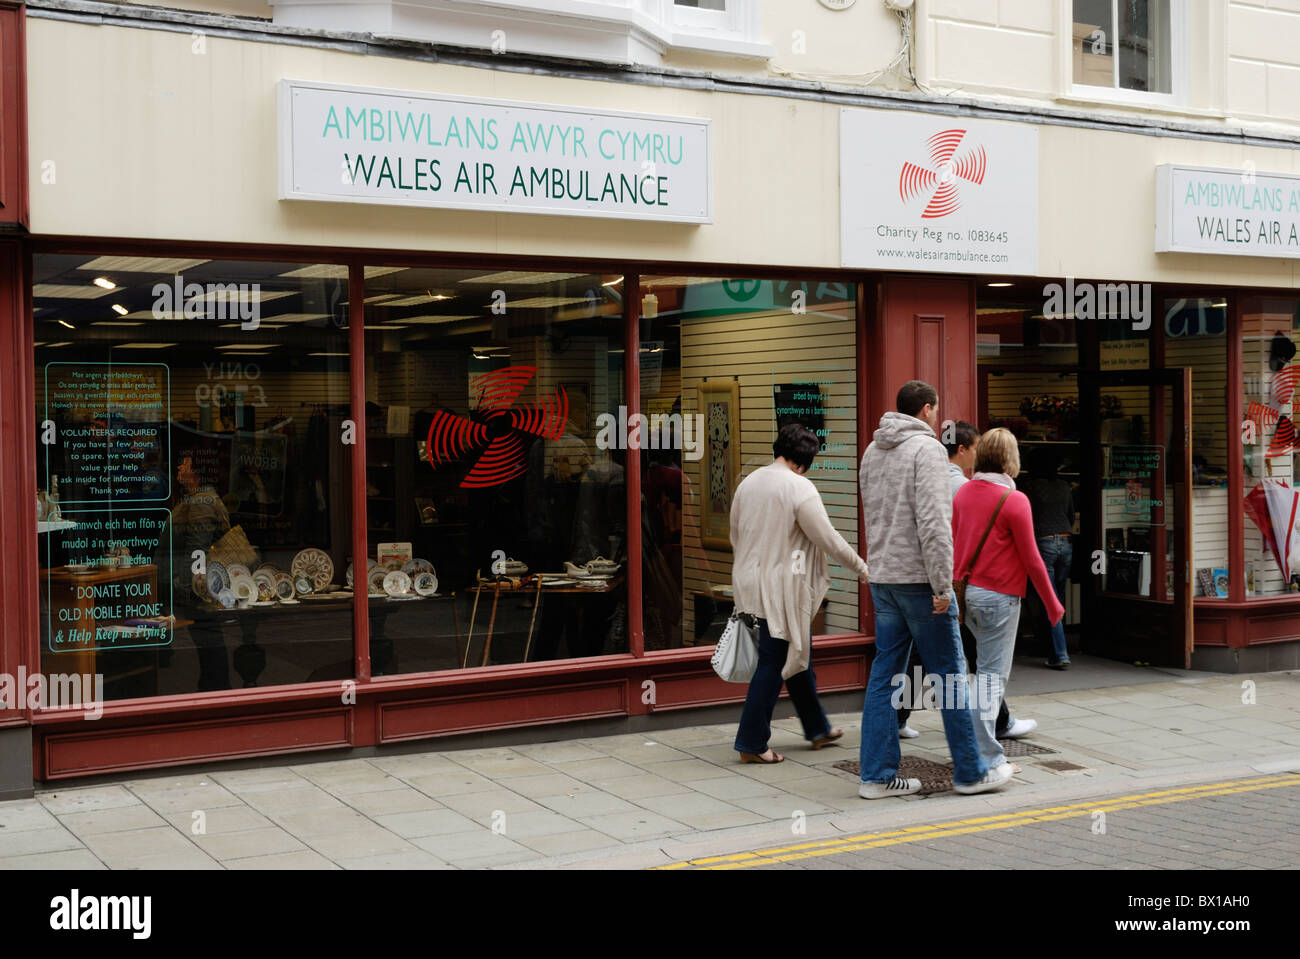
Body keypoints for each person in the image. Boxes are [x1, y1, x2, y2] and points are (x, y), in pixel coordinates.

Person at [858, 382, 1012, 798]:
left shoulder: (872, 451)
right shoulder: (925, 451)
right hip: (921, 582)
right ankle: (971, 771)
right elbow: (933, 524)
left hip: (884, 577)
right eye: (936, 410)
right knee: (951, 677)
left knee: (883, 677)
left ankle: (875, 776)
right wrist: (944, 584)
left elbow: (871, 516)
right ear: (926, 410)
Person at [731, 424, 870, 764]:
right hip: (782, 587)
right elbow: (829, 539)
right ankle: (751, 742)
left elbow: (736, 533)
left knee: (798, 649)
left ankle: (817, 727)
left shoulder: (748, 483)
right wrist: (864, 569)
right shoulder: (799, 486)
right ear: (804, 462)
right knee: (774, 660)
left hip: (748, 580)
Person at [952, 428, 1064, 776]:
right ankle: (986, 759)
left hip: (968, 596)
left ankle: (973, 753)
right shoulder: (1015, 500)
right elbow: (1032, 559)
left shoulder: (964, 493)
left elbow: (955, 545)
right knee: (990, 681)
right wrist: (1052, 604)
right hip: (1000, 598)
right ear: (1011, 459)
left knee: (978, 677)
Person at [1022, 447, 1074, 670]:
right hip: (1066, 543)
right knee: (1057, 599)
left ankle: (1059, 653)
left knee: (1047, 599)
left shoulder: (1031, 487)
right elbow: (1070, 516)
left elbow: (1027, 519)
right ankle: (1054, 645)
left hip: (1043, 543)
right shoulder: (1064, 486)